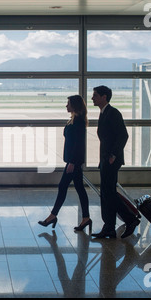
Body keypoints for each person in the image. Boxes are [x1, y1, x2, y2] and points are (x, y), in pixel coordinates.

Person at [90, 85, 139, 239]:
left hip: (111, 159)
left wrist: (113, 155)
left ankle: (130, 219)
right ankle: (109, 227)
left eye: (95, 95)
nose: (92, 98)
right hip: (105, 159)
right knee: (105, 193)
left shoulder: (113, 113)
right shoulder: (104, 113)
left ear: (104, 97)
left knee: (109, 193)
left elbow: (123, 135)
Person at [39, 95, 91, 232]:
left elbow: (78, 145)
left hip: (73, 162)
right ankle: (85, 218)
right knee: (79, 189)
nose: (66, 106)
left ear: (74, 105)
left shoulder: (78, 122)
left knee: (63, 187)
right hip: (72, 161)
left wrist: (72, 162)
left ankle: (52, 216)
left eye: (68, 103)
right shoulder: (73, 120)